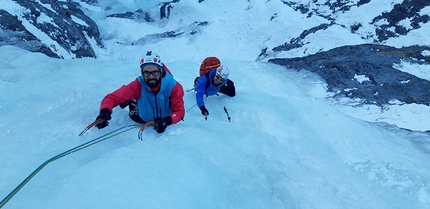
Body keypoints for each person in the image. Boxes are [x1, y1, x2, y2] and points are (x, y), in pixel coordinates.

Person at [95, 51, 185, 134]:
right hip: (141, 118)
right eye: (146, 73)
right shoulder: (138, 85)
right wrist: (105, 111)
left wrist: (167, 121)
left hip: (164, 120)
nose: (151, 77)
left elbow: (179, 112)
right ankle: (129, 101)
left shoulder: (173, 87)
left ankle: (131, 101)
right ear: (142, 73)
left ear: (160, 72)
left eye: (155, 72)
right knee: (132, 111)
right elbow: (112, 97)